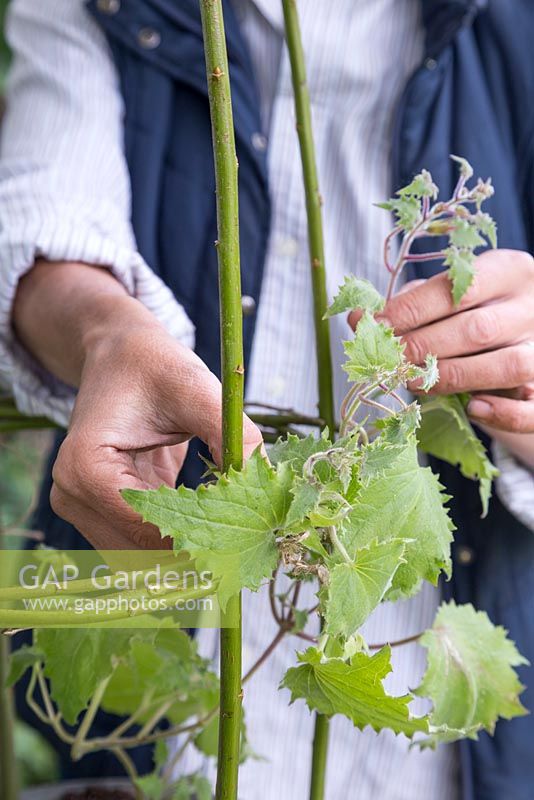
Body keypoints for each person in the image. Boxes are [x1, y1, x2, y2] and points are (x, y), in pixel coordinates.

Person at [1, 0, 533, 798]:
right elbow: (38, 209)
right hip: (143, 664)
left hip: (441, 731)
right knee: (87, 721)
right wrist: (105, 335)